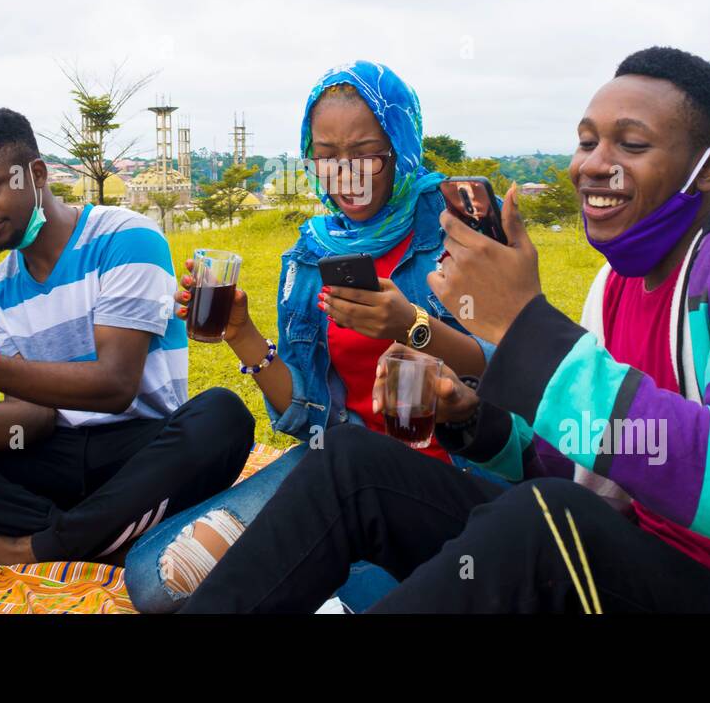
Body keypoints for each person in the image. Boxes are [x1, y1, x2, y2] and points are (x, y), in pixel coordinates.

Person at [181, 47, 710, 614]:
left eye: (631, 144)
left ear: (708, 168)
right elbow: (583, 463)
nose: (594, 164)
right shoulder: (619, 284)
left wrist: (523, 326)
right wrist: (471, 419)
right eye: (586, 140)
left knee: (546, 519)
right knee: (354, 465)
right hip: (628, 554)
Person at [124, 61, 499, 612]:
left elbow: (510, 368)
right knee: (158, 580)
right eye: (326, 156)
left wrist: (414, 328)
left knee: (329, 586)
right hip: (335, 462)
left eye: (367, 151)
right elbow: (306, 415)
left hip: (453, 473)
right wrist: (241, 332)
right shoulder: (309, 255)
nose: (347, 174)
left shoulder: (458, 221)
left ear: (401, 144)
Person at [0, 108, 256, 569]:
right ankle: (92, 537)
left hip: (137, 456)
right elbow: (34, 419)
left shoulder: (125, 237)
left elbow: (116, 387)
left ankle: (25, 547)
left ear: (35, 174)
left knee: (222, 415)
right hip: (49, 459)